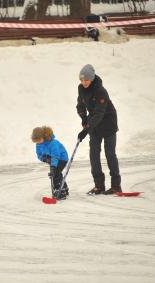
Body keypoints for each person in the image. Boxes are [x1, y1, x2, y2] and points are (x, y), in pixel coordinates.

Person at [76, 64, 122, 195]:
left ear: (91, 78)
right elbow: (80, 105)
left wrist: (86, 129)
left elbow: (99, 113)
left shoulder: (101, 91)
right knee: (94, 155)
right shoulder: (81, 89)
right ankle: (99, 185)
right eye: (81, 80)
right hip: (94, 123)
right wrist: (84, 119)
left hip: (108, 123)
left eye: (86, 80)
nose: (84, 83)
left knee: (110, 154)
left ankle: (116, 185)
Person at [31, 126, 69, 200]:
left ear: (43, 137)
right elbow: (39, 155)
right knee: (57, 173)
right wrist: (45, 159)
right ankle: (64, 188)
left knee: (56, 174)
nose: (38, 143)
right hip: (52, 159)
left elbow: (55, 156)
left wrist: (53, 166)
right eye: (36, 141)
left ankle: (60, 191)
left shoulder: (52, 143)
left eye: (39, 140)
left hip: (62, 158)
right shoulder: (38, 144)